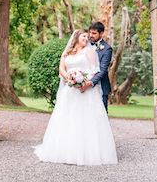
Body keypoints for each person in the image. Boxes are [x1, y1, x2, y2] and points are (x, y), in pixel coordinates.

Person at [34, 29, 118, 166]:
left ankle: (88, 152)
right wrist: (69, 78)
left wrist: (84, 82)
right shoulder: (67, 52)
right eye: (84, 36)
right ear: (77, 37)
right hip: (69, 90)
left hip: (85, 91)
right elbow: (61, 68)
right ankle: (65, 150)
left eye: (87, 36)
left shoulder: (89, 51)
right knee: (68, 118)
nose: (87, 38)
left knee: (85, 120)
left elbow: (95, 69)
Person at [81, 22, 113, 112]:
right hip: (83, 85)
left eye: (94, 33)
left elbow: (102, 70)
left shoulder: (107, 49)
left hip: (100, 86)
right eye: (90, 32)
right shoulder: (83, 45)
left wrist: (90, 83)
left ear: (101, 33)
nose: (91, 35)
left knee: (100, 115)